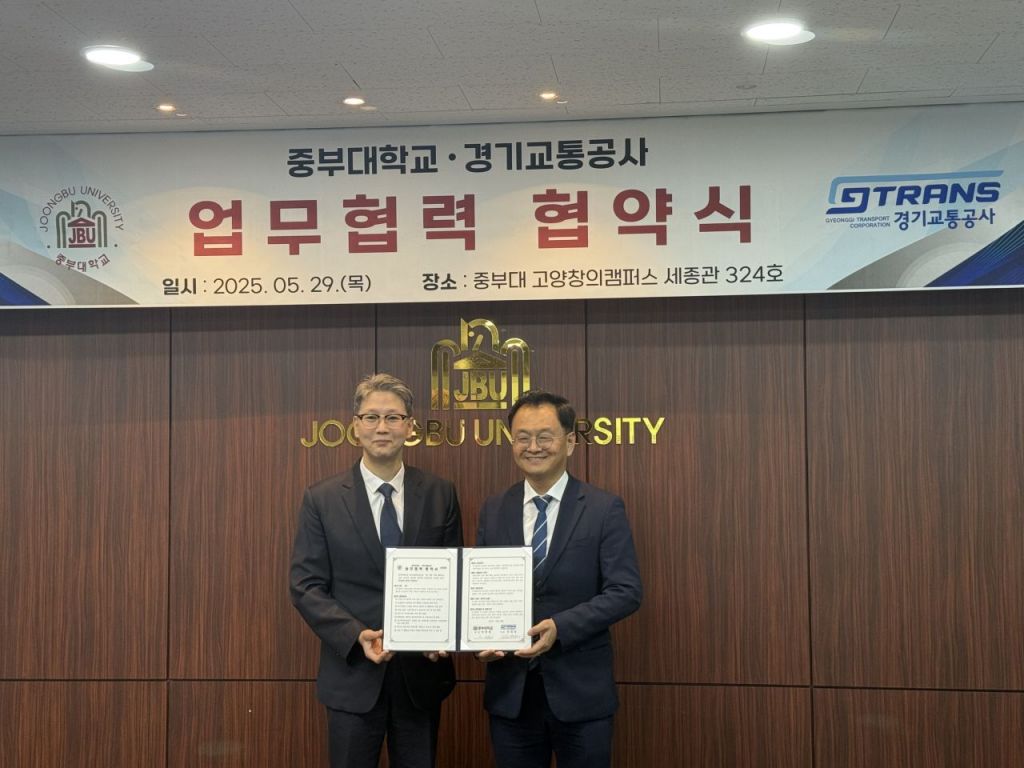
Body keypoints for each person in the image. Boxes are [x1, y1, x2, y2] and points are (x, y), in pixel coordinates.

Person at [290, 373, 463, 768]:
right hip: (352, 674)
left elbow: (454, 576)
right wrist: (355, 635)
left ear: (410, 426)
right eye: (371, 417)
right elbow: (305, 585)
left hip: (420, 675)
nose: (382, 427)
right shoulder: (322, 499)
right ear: (355, 426)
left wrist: (444, 632)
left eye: (393, 417)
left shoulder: (439, 493)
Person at [475, 390, 642, 768]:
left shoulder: (602, 508)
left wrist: (560, 627)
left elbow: (626, 591)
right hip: (511, 693)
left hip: (580, 693)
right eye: (522, 437)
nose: (533, 447)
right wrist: (478, 638)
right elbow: (480, 588)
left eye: (544, 436)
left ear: (569, 442)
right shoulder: (494, 508)